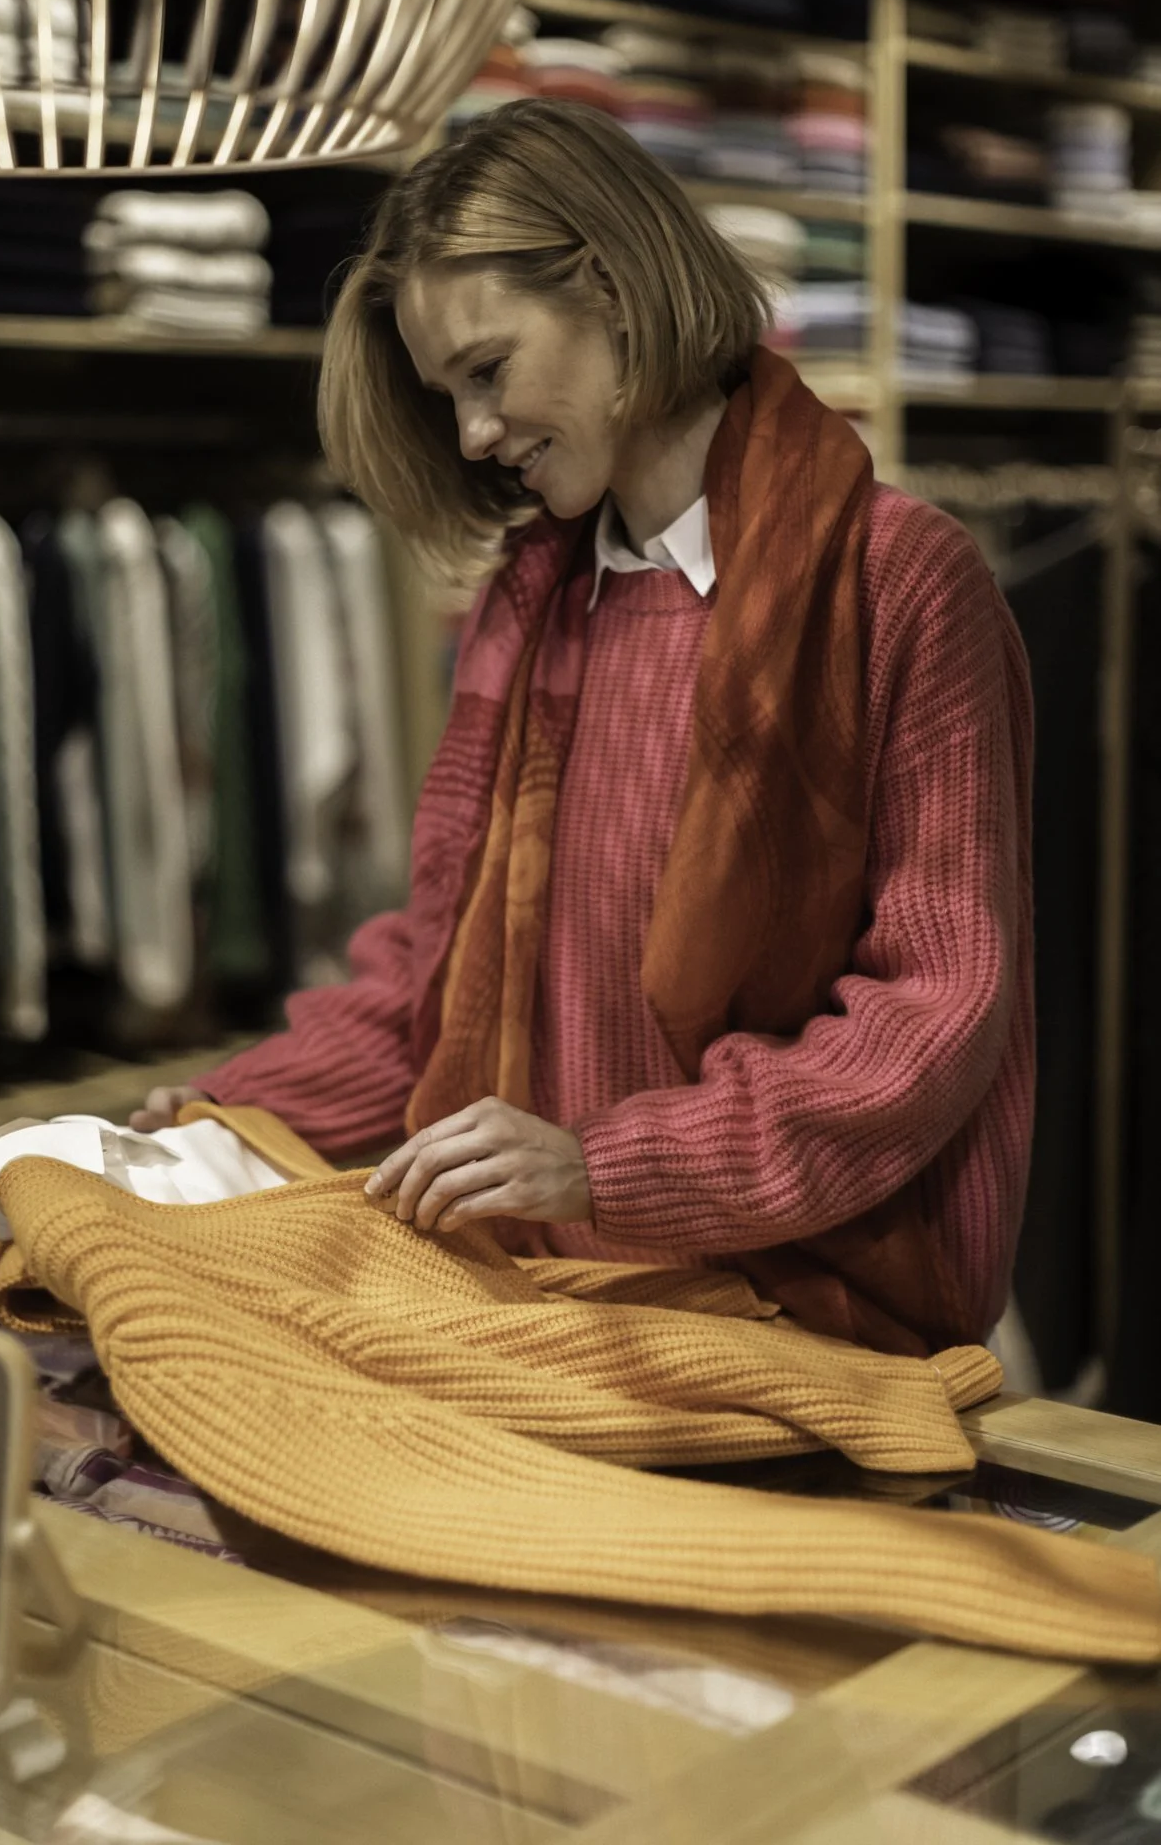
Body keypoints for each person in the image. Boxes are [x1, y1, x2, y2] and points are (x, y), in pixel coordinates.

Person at [132, 98, 1033, 1359]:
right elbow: (438, 969)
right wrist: (228, 1108)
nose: (472, 435)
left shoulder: (897, 580)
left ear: (609, 289)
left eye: (486, 370)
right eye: (448, 395)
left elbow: (930, 1013)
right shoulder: (531, 600)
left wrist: (607, 1165)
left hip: (807, 1312)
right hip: (551, 1294)